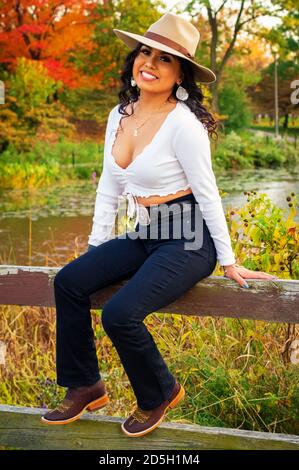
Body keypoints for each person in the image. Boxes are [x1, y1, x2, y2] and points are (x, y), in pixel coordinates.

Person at [41, 12, 276, 437]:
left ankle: (159, 393)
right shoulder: (121, 114)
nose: (149, 63)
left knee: (119, 314)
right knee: (70, 281)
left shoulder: (184, 126)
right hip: (148, 230)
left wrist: (228, 261)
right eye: (145, 52)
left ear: (180, 74)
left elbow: (208, 194)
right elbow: (109, 185)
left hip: (188, 237)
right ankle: (85, 385)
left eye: (164, 59)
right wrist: (95, 249)